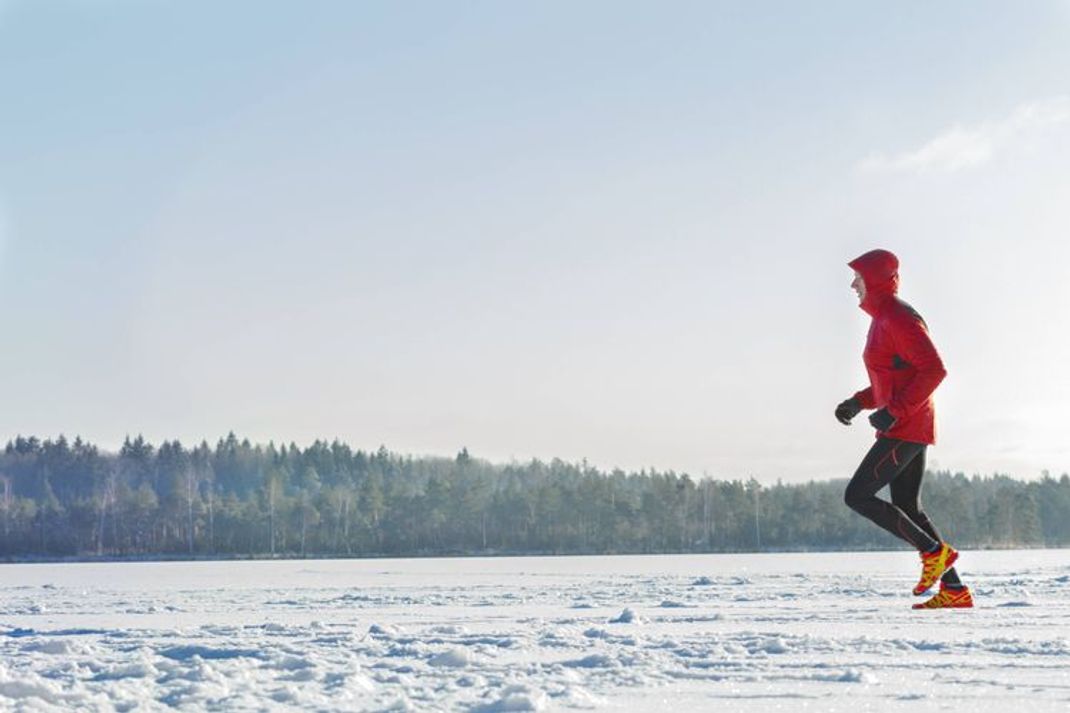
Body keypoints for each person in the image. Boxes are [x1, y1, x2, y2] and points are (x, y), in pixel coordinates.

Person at [836, 249, 973, 609]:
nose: (853, 284)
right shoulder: (881, 320)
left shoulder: (898, 317)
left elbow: (934, 369)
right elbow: (895, 376)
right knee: (907, 506)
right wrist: (858, 402)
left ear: (876, 280)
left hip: (906, 425)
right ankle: (954, 589)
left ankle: (933, 553)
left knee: (858, 495)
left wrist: (893, 413)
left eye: (859, 278)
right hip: (905, 423)